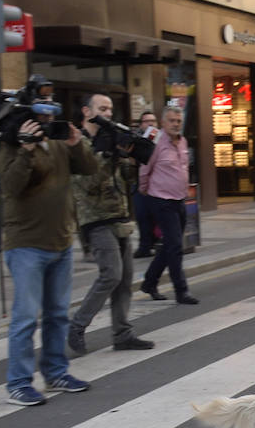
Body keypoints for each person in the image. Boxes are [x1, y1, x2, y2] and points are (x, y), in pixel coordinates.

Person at [0, 77, 99, 406]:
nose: (47, 119)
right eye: (41, 114)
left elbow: (90, 168)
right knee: (26, 317)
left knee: (57, 315)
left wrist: (75, 143)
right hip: (26, 244)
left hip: (60, 242)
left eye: (51, 112)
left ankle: (56, 371)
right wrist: (26, 150)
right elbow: (11, 188)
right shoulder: (12, 144)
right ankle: (18, 383)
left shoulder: (57, 140)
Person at [69, 94, 152, 356]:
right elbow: (87, 184)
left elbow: (125, 179)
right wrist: (107, 156)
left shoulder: (112, 138)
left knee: (125, 278)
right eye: (101, 108)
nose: (107, 113)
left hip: (118, 215)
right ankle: (77, 325)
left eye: (110, 109)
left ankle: (122, 333)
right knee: (111, 274)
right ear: (86, 111)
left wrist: (127, 157)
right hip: (94, 219)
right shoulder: (78, 143)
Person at [139, 106, 199, 305]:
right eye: (172, 120)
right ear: (163, 123)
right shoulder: (156, 142)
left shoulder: (183, 141)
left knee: (169, 246)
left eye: (178, 121)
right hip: (161, 199)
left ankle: (149, 282)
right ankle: (181, 291)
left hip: (179, 199)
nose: (176, 124)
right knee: (174, 246)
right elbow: (144, 168)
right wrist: (144, 189)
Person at [133, 110, 159, 258]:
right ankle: (145, 246)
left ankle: (156, 242)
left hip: (157, 184)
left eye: (153, 121)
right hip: (140, 185)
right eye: (147, 121)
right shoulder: (136, 139)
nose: (150, 124)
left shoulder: (161, 139)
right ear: (141, 125)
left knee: (157, 215)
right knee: (142, 216)